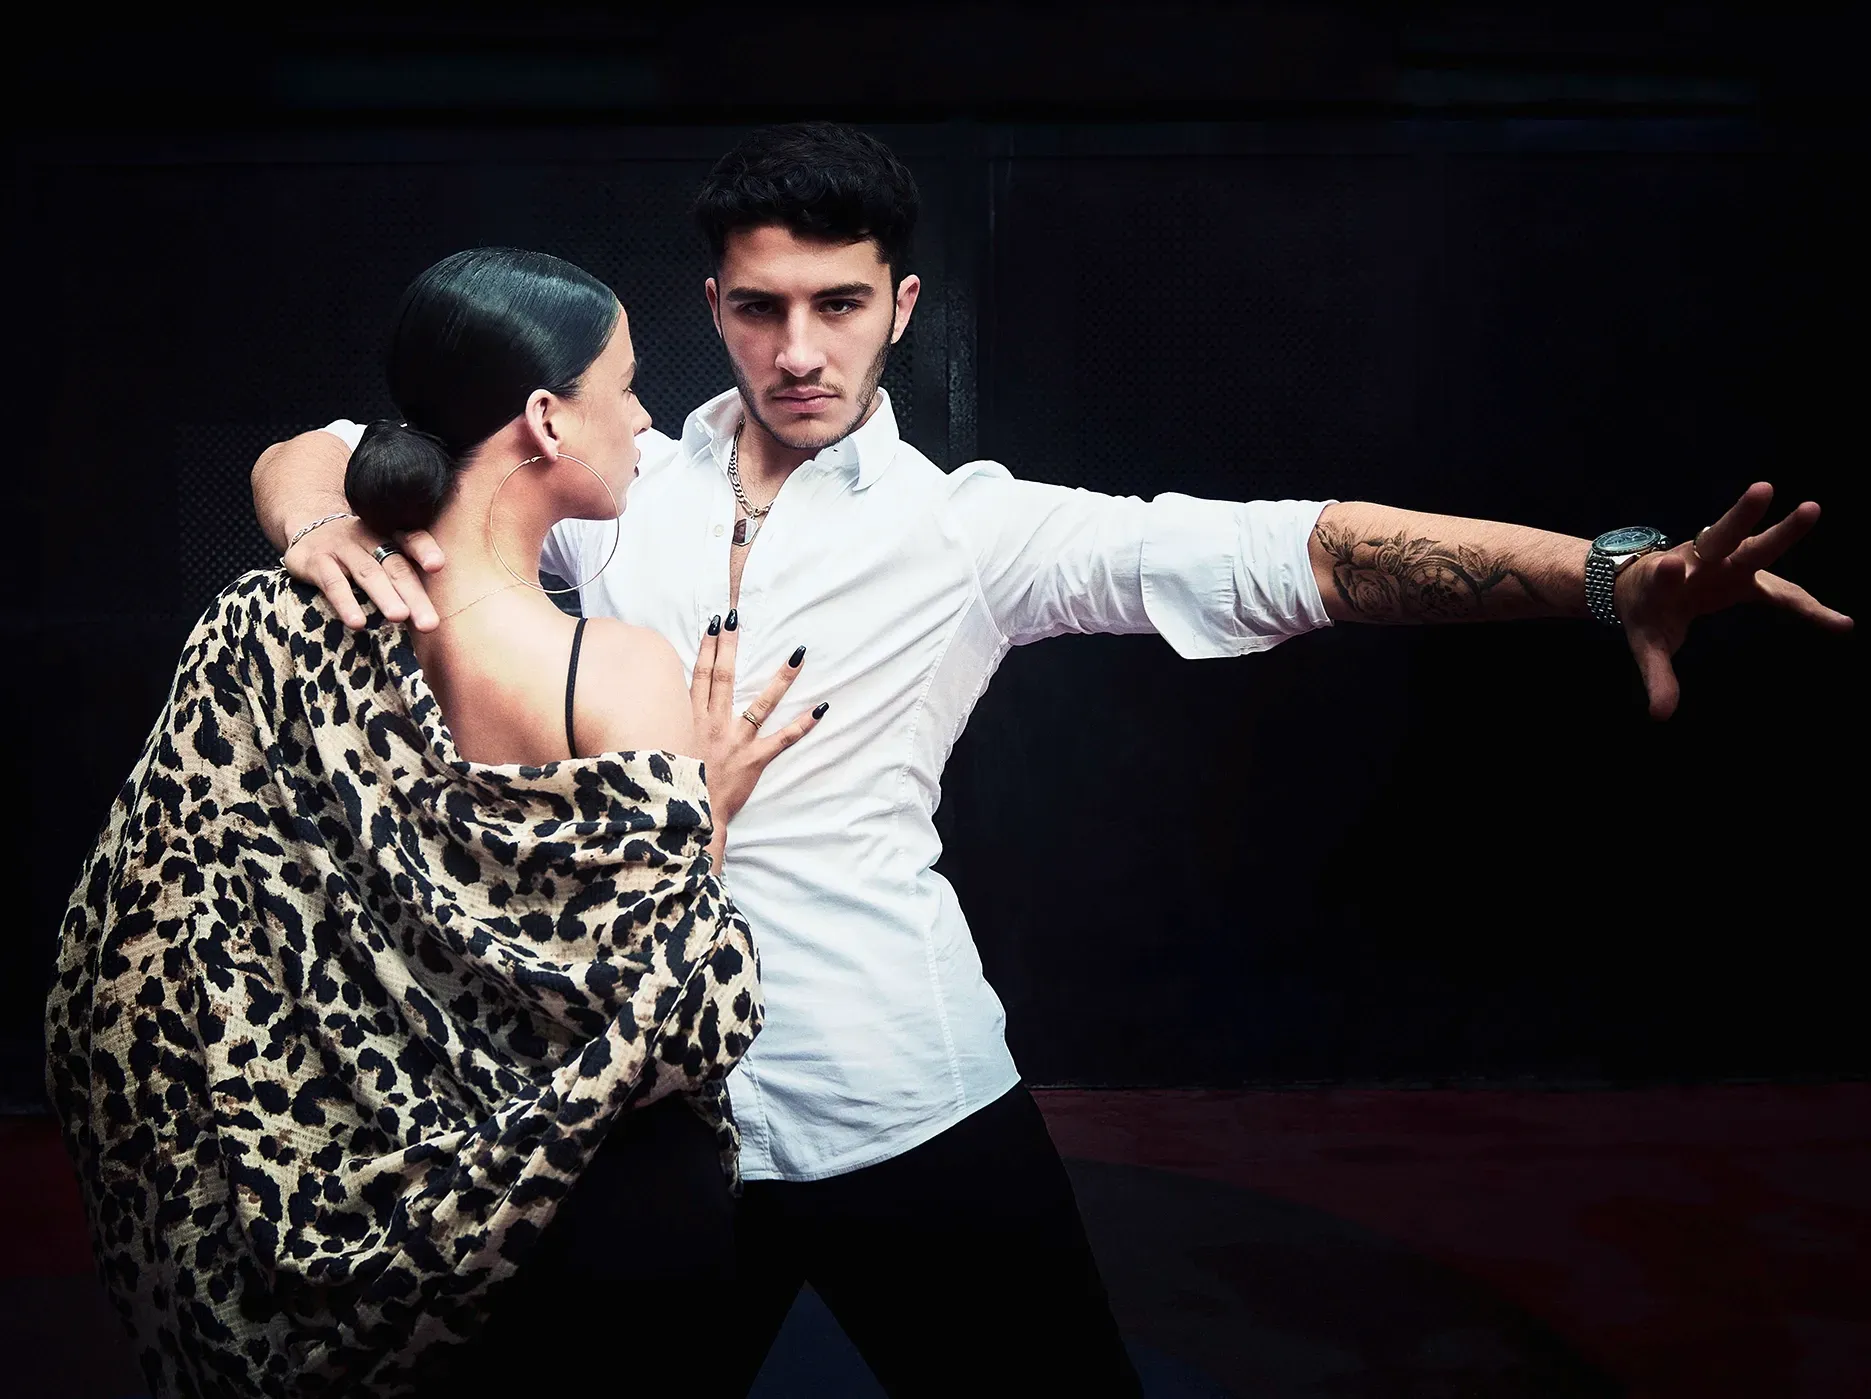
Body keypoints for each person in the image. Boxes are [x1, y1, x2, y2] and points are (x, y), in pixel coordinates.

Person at [252, 124, 1851, 1397]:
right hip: (648, 1106)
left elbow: (1298, 551)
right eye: (758, 306)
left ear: (901, 303)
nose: (796, 347)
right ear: (712, 308)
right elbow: (322, 447)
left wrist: (1599, 570)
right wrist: (326, 526)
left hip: (904, 1096)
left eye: (836, 302)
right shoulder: (615, 490)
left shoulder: (973, 529)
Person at [46, 247, 823, 1399]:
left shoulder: (270, 622)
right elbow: (676, 1004)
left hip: (353, 1222)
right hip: (589, 1222)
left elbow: (135, 948)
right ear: (548, 420)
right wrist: (703, 807)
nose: (646, 414)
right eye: (626, 384)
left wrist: (309, 520)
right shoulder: (613, 672)